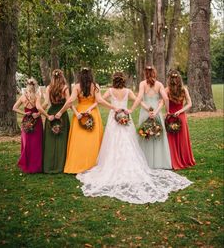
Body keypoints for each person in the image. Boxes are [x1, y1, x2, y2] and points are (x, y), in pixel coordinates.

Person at [76, 72, 192, 204]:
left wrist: (111, 107)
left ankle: (113, 164)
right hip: (126, 116)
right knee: (128, 142)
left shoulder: (110, 91)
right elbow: (139, 100)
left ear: (114, 81)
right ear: (123, 80)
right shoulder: (127, 91)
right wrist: (142, 108)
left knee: (113, 142)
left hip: (114, 119)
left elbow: (99, 100)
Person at [55, 68, 117, 174]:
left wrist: (61, 112)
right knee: (92, 140)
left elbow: (70, 101)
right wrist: (113, 107)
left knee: (79, 141)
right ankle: (93, 164)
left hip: (80, 114)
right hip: (92, 113)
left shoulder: (77, 87)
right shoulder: (95, 86)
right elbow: (100, 100)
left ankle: (78, 164)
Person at [129, 66, 172, 169]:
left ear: (145, 73)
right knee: (157, 135)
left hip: (145, 112)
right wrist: (166, 111)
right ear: (154, 73)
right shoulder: (159, 84)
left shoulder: (142, 84)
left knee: (144, 134)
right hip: (156, 112)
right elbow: (165, 98)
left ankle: (144, 162)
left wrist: (134, 109)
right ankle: (158, 162)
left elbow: (139, 98)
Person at [36, 69, 70, 173]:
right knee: (62, 140)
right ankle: (61, 165)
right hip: (62, 115)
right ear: (62, 76)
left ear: (53, 77)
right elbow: (68, 103)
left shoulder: (48, 88)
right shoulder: (65, 87)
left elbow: (46, 103)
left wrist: (44, 114)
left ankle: (49, 166)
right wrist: (61, 112)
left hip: (51, 113)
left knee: (50, 140)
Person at [165, 70, 196, 170]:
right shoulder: (184, 89)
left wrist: (167, 111)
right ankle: (184, 160)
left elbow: (163, 102)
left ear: (169, 79)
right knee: (182, 140)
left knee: (172, 140)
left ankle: (173, 161)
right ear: (179, 78)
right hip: (180, 116)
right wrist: (180, 111)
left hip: (170, 116)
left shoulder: (167, 90)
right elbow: (189, 104)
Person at [13, 78, 43, 173]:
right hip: (36, 121)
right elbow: (39, 108)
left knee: (27, 143)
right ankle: (36, 166)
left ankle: (27, 164)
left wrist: (24, 113)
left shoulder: (23, 96)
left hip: (26, 120)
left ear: (27, 86)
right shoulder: (37, 96)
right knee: (36, 143)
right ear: (35, 86)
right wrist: (38, 113)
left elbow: (14, 108)